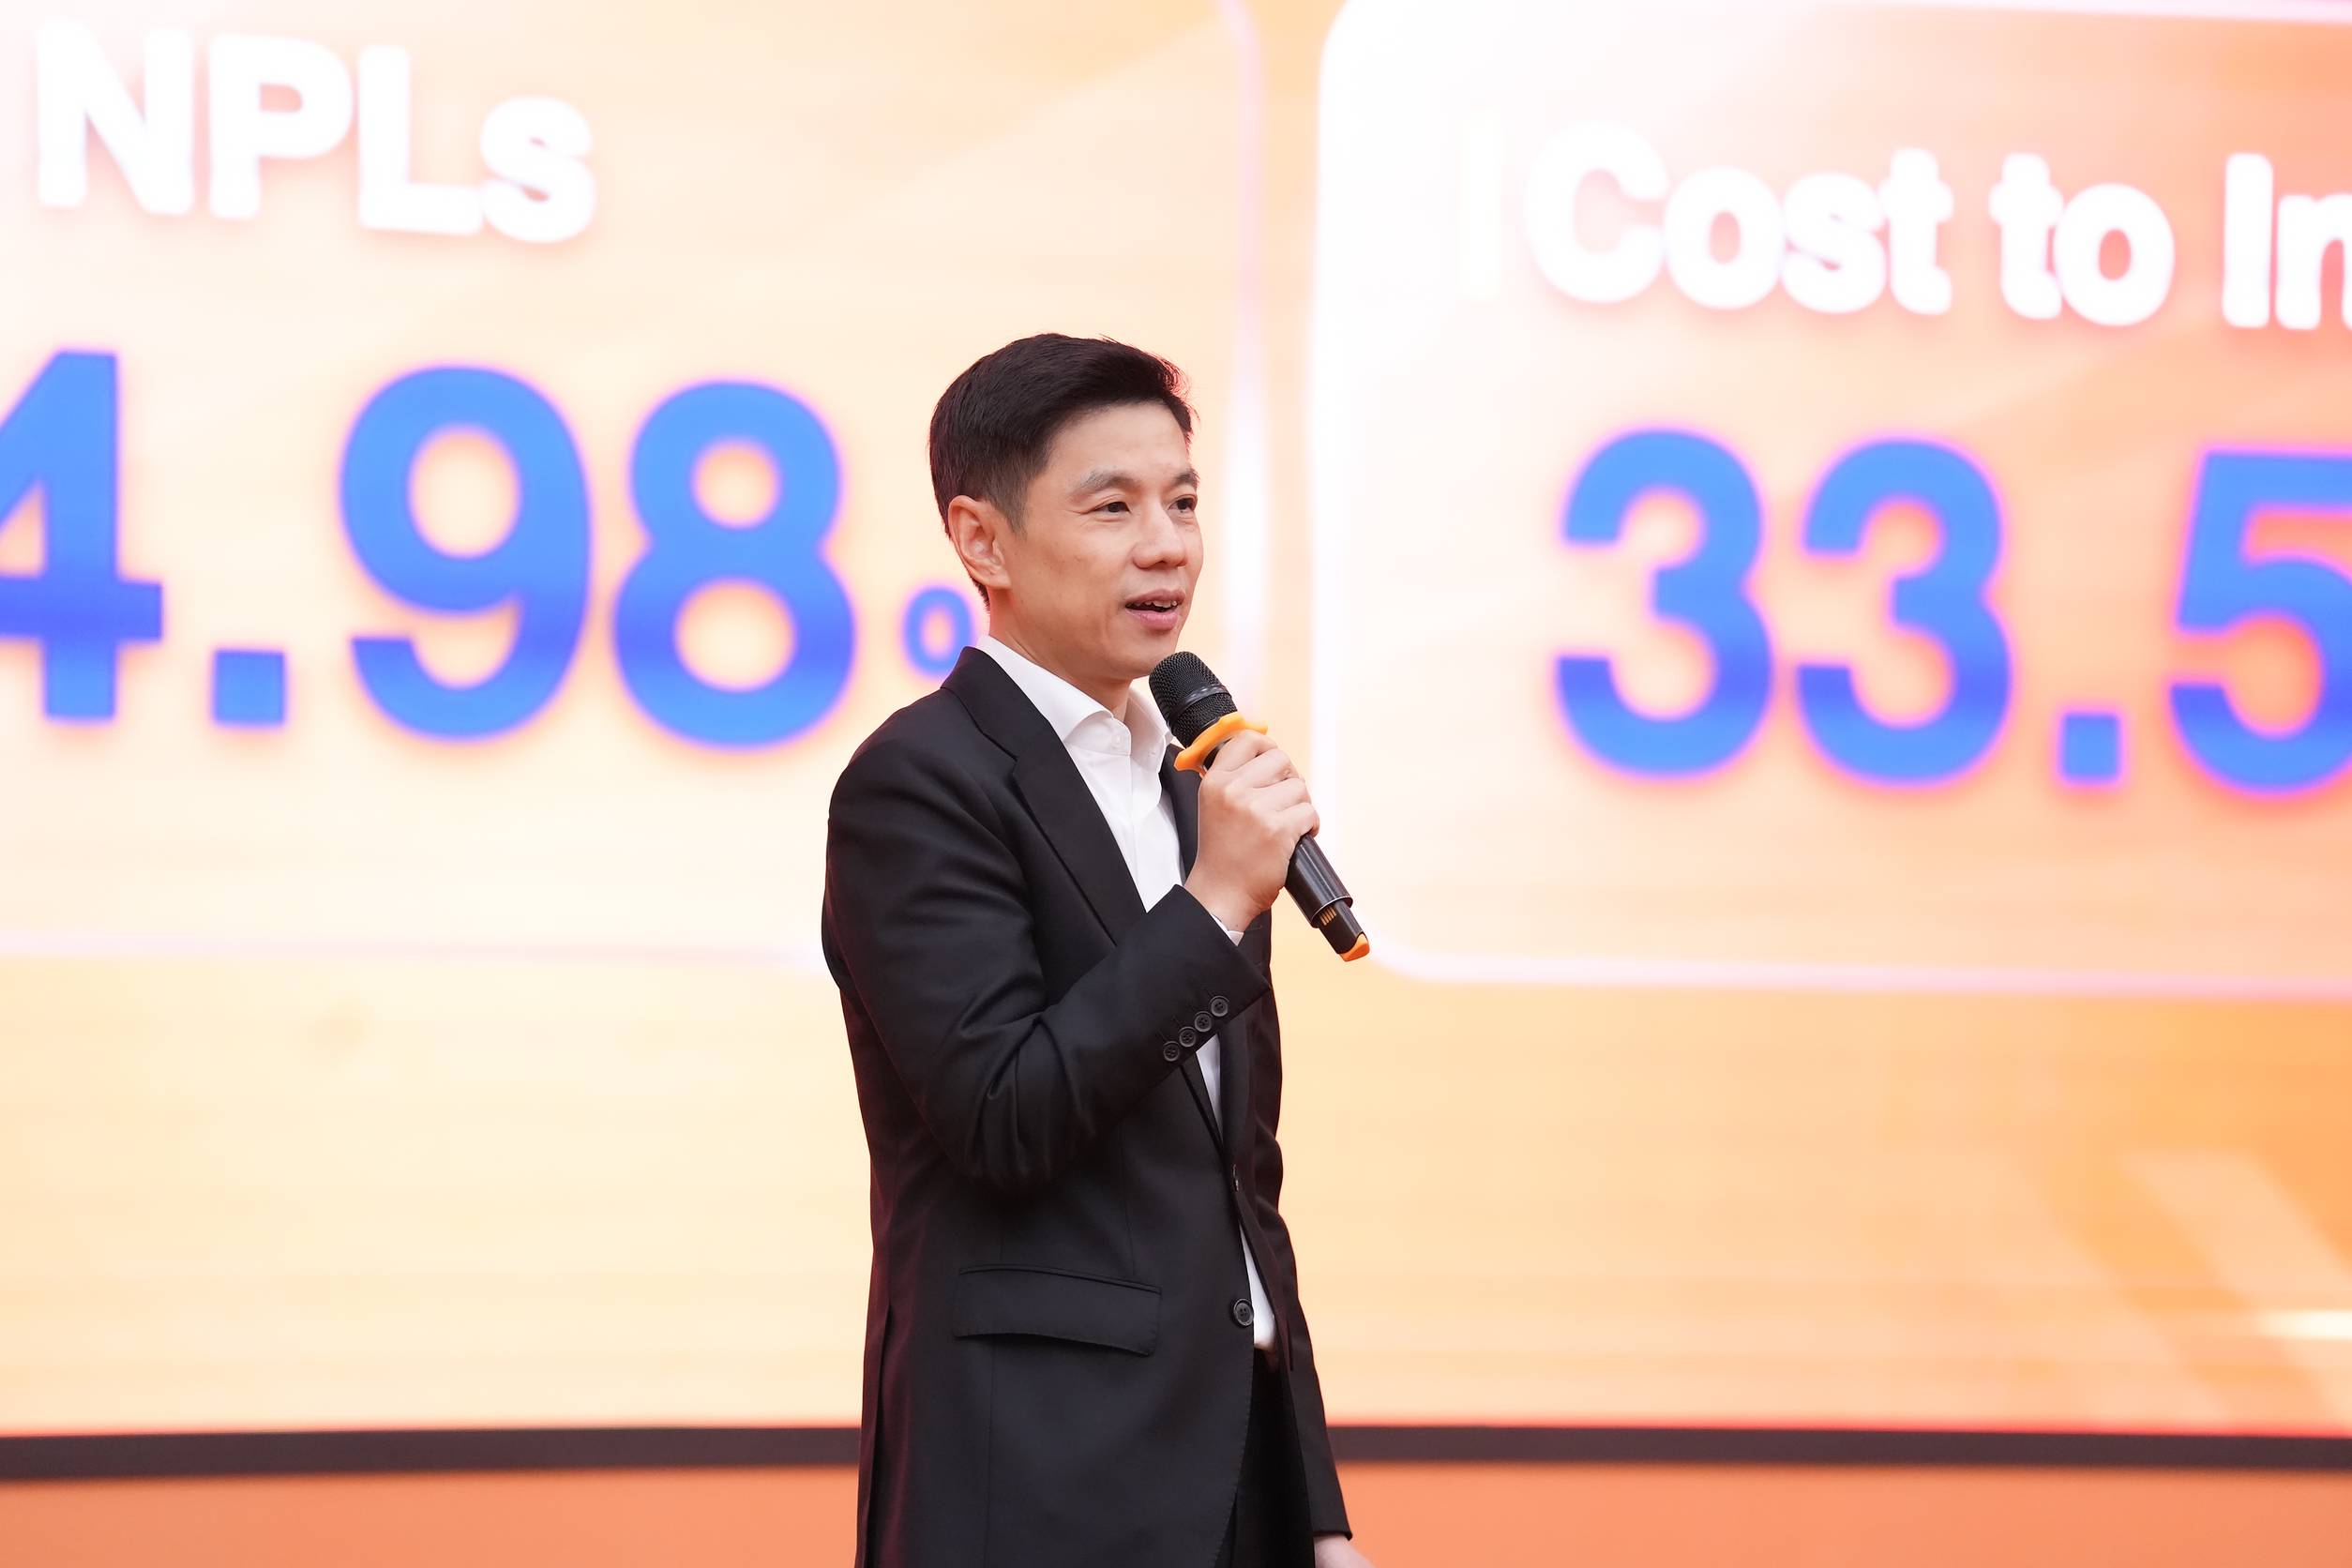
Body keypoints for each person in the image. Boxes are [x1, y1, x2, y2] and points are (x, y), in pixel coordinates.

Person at [821, 334, 1374, 1568]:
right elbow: (1004, 1116)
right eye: (1113, 506)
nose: (1167, 545)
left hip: (1235, 1477)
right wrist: (1216, 900)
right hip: (1039, 1477)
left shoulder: (1190, 789)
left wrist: (1317, 1509)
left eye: (1183, 501)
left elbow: (1242, 1186)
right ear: (982, 541)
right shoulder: (922, 782)